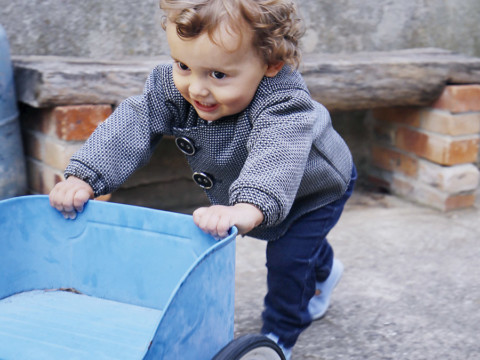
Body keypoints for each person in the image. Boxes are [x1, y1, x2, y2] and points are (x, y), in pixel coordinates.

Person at [49, 0, 356, 358]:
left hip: (315, 190)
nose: (196, 88)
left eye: (218, 75)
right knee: (303, 251)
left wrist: (248, 204)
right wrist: (86, 175)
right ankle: (325, 267)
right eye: (183, 65)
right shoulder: (175, 87)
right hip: (258, 195)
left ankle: (279, 336)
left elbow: (278, 151)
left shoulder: (285, 104)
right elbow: (135, 120)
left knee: (289, 261)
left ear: (271, 64)